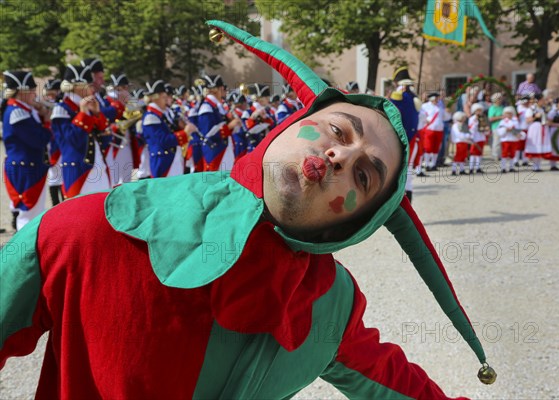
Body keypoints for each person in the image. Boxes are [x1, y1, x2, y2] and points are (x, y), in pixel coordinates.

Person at [0, 20, 495, 399]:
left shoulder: (329, 305)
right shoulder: (84, 230)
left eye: (364, 177)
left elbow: (390, 380)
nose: (341, 156)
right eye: (338, 131)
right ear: (289, 127)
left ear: (352, 224)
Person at [50, 64, 112, 197]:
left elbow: (106, 139)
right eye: (90, 85)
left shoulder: (89, 106)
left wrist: (97, 115)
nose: (93, 88)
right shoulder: (61, 109)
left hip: (98, 164)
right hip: (78, 171)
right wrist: (83, 113)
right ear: (78, 87)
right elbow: (72, 140)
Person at [1, 70, 52, 231]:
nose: (34, 94)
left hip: (29, 166)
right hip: (26, 167)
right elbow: (39, 140)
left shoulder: (25, 110)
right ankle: (25, 253)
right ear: (21, 92)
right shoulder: (18, 112)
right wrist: (48, 122)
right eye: (31, 90)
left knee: (32, 213)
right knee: (29, 216)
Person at [141, 79, 190, 177]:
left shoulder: (161, 114)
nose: (166, 100)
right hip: (163, 164)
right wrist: (185, 133)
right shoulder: (151, 117)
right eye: (164, 97)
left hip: (172, 161)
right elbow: (163, 141)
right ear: (155, 98)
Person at [388, 66, 420, 202]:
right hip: (411, 138)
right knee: (408, 174)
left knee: (401, 173)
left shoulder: (397, 95)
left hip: (401, 139)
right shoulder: (414, 97)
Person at [497, 107, 522, 173]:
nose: (508, 115)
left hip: (513, 140)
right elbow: (499, 131)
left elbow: (518, 130)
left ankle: (511, 167)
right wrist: (506, 129)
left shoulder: (515, 121)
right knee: (504, 154)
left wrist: (518, 134)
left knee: (512, 154)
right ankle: (503, 168)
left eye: (510, 113)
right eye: (507, 113)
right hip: (505, 140)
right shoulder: (502, 122)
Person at [468, 103, 489, 173]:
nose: (479, 112)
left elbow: (485, 126)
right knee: (473, 153)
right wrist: (476, 122)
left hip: (481, 137)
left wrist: (486, 130)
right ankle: (471, 168)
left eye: (480, 110)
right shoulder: (472, 119)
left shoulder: (483, 118)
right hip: (475, 138)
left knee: (479, 153)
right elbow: (471, 128)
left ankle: (478, 167)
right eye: (478, 110)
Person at [450, 111, 471, 175]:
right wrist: (467, 136)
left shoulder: (463, 125)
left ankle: (462, 170)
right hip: (459, 142)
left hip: (464, 142)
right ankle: (454, 170)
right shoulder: (455, 125)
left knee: (463, 156)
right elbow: (459, 134)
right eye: (463, 117)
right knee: (457, 156)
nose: (464, 119)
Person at [487, 92, 504, 161]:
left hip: (503, 127)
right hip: (496, 127)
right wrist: (501, 117)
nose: (501, 100)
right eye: (499, 98)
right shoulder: (492, 108)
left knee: (502, 142)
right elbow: (490, 118)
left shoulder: (502, 107)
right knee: (496, 142)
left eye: (501, 98)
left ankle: (501, 155)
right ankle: (495, 155)